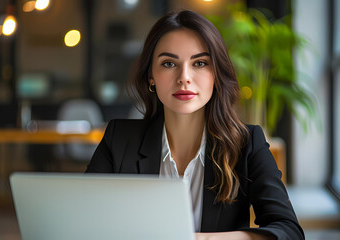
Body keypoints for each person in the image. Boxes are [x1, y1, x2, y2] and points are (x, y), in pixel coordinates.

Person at [86, 9, 304, 240]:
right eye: (169, 63)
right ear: (151, 75)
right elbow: (81, 219)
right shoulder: (118, 139)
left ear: (216, 74)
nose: (184, 77)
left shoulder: (247, 144)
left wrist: (202, 239)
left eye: (199, 63)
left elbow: (288, 231)